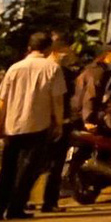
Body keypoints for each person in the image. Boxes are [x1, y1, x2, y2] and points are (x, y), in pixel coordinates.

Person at [0, 31, 66, 220]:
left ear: (29, 48)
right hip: (37, 124)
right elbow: (57, 100)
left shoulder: (14, 68)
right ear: (49, 48)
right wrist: (58, 123)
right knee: (27, 168)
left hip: (12, 123)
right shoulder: (52, 68)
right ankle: (16, 208)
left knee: (8, 167)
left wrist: (0, 123)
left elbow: (2, 100)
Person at [64, 39, 111, 201]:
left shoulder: (98, 70)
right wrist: (88, 120)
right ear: (108, 54)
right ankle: (108, 170)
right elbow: (90, 97)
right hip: (83, 116)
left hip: (79, 115)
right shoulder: (97, 72)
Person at [36, 34, 81, 212]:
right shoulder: (57, 70)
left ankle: (26, 198)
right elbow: (59, 100)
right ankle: (49, 201)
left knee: (39, 163)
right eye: (65, 51)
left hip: (40, 121)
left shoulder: (38, 68)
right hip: (56, 121)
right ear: (56, 51)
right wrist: (61, 122)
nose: (68, 55)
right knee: (54, 164)